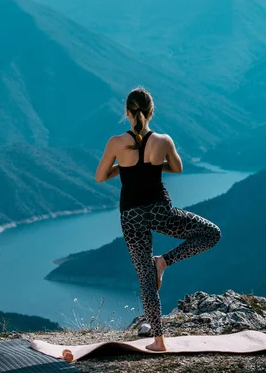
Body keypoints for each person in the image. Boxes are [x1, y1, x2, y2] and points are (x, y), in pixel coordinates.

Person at [95, 87, 221, 352]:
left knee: (145, 279)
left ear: (127, 112)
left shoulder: (116, 142)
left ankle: (159, 341)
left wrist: (125, 167)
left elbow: (101, 176)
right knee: (212, 234)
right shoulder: (163, 140)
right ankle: (164, 261)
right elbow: (177, 167)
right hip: (161, 211)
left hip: (131, 216)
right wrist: (153, 165)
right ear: (151, 111)